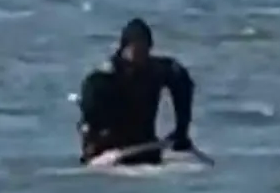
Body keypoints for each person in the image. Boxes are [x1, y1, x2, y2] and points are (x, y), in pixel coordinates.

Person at [77, 18, 195, 166]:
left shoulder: (156, 70)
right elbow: (88, 119)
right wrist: (90, 149)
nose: (141, 55)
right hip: (111, 151)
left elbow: (181, 80)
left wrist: (181, 131)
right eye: (137, 49)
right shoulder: (102, 78)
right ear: (124, 48)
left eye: (145, 49)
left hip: (146, 150)